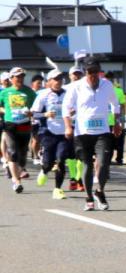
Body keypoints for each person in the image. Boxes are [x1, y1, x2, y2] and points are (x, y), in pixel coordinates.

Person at [62, 57, 123, 211]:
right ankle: (89, 196)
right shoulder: (76, 87)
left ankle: (100, 191)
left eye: (96, 71)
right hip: (82, 133)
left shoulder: (107, 85)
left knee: (103, 164)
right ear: (85, 72)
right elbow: (66, 108)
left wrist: (117, 122)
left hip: (102, 131)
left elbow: (115, 104)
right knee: (87, 165)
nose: (93, 75)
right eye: (90, 72)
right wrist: (68, 127)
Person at [30, 70, 70, 199]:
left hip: (64, 132)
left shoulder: (68, 94)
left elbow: (76, 108)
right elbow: (33, 114)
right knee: (48, 163)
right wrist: (45, 114)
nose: (59, 81)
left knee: (61, 159)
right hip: (48, 132)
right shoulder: (43, 95)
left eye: (60, 78)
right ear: (50, 81)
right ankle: (44, 170)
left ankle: (57, 189)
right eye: (56, 79)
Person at [0, 68, 37, 191]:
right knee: (12, 152)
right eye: (17, 77)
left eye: (22, 77)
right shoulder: (5, 92)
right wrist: (6, 111)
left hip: (24, 125)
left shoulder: (29, 92)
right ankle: (16, 181)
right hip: (10, 125)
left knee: (22, 154)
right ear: (11, 79)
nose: (20, 79)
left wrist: (31, 112)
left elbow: (36, 107)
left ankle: (18, 172)